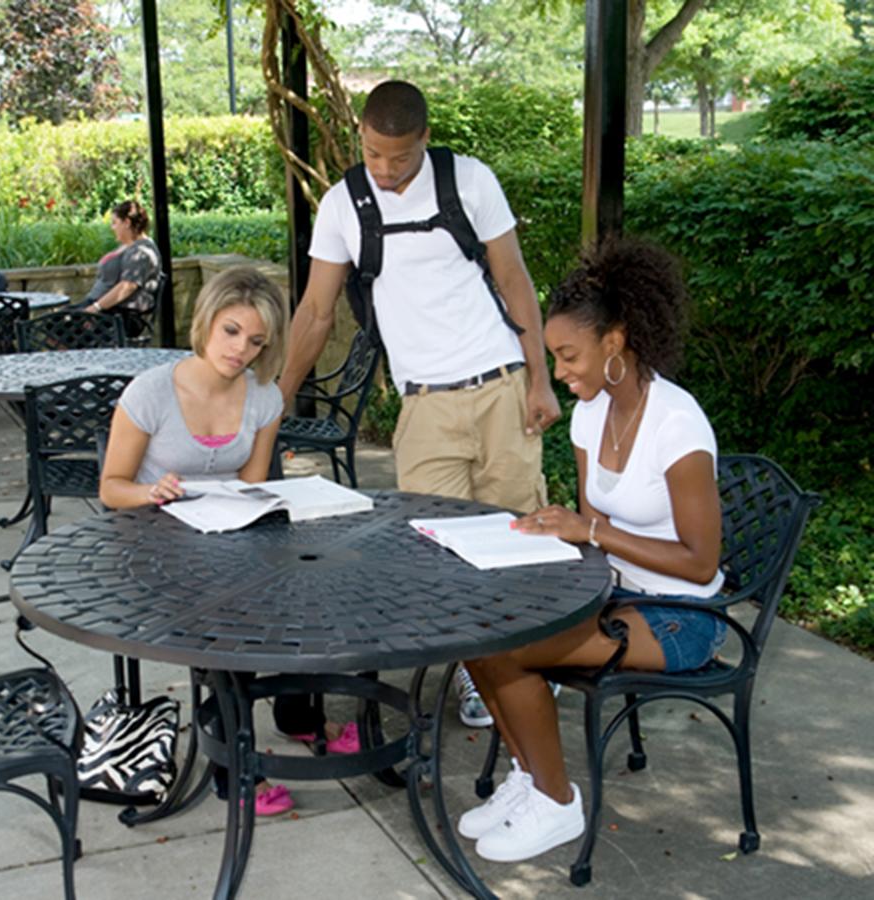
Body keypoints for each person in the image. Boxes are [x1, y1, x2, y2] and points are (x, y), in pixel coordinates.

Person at [278, 80, 560, 729]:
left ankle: (514, 669)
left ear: (424, 142)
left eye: (397, 157)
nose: (384, 169)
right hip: (424, 404)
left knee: (518, 536)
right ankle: (475, 664)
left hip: (499, 383)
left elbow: (514, 278)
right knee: (436, 549)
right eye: (372, 153)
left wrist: (539, 378)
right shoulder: (343, 204)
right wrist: (278, 397)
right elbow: (317, 311)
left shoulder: (471, 182)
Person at [455, 237, 728, 864]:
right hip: (618, 592)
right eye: (553, 356)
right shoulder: (590, 415)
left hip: (685, 617)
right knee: (476, 632)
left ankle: (556, 804)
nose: (559, 371)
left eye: (568, 355)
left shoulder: (678, 426)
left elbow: (701, 562)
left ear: (615, 342)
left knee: (511, 649)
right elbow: (590, 525)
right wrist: (544, 540)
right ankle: (529, 777)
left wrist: (590, 532)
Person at [100, 265, 357, 815]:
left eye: (257, 340)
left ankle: (297, 714)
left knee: (309, 586)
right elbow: (111, 488)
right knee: (227, 620)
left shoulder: (263, 397)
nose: (241, 349)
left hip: (228, 534)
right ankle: (231, 766)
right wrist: (152, 494)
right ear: (207, 321)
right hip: (158, 541)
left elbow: (252, 485)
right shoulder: (150, 393)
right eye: (232, 331)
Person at [80, 200, 162, 340]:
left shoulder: (141, 252)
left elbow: (128, 286)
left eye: (114, 222)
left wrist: (96, 307)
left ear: (127, 223)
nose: (112, 227)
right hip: (108, 311)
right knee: (54, 324)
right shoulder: (130, 246)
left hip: (120, 317)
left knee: (56, 328)